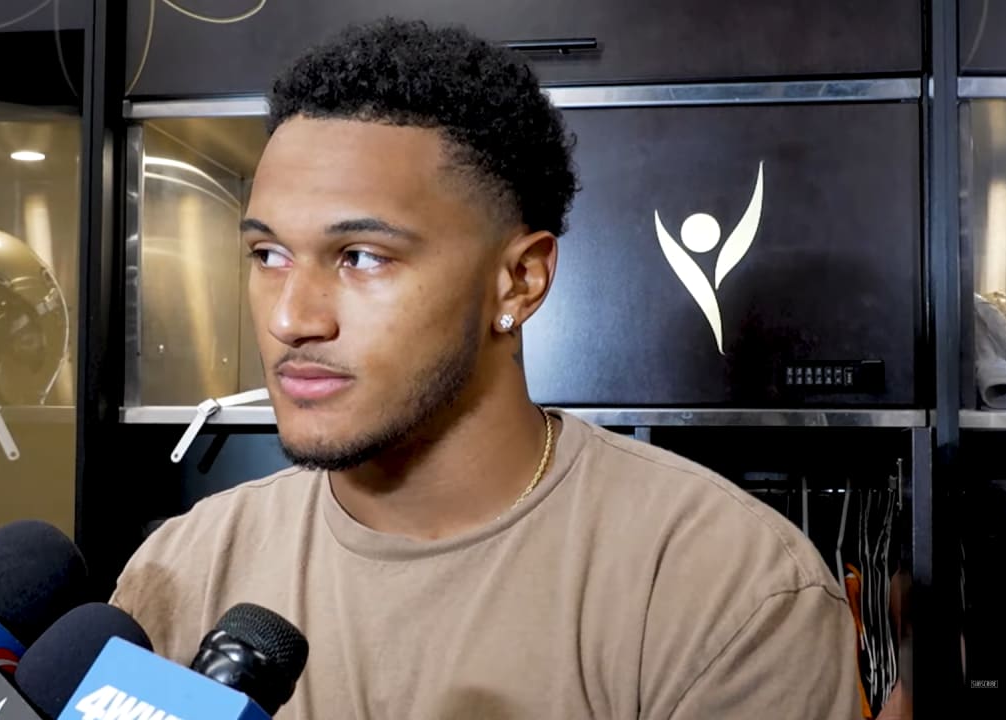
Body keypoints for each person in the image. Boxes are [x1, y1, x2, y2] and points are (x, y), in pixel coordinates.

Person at [110, 17, 863, 719]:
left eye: (362, 257)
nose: (290, 319)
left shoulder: (727, 589)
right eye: (268, 255)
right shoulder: (186, 566)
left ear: (520, 282)